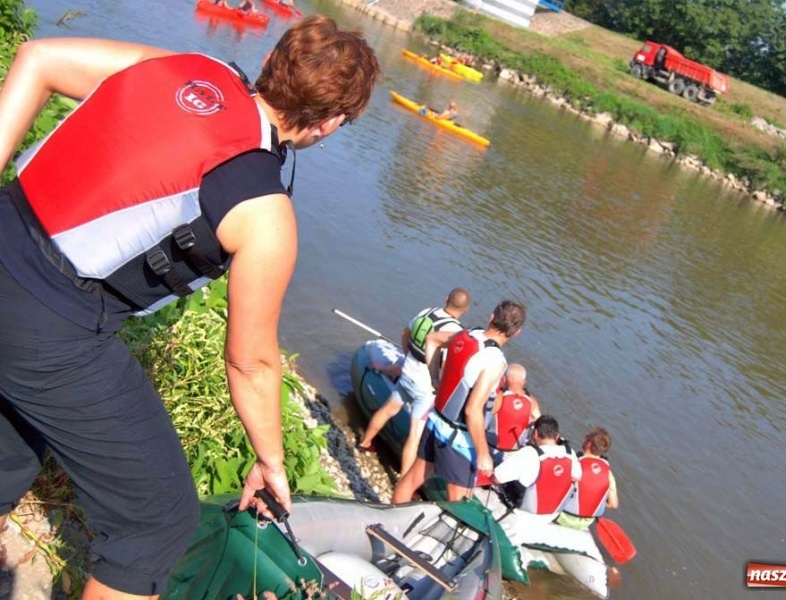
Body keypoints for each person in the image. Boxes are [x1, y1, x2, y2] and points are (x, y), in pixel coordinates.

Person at [0, 16, 379, 599]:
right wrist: (271, 462)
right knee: (157, 520)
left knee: (15, 436)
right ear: (329, 123)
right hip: (53, 322)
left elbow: (38, 57)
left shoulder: (188, 69)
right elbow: (250, 363)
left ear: (274, 63)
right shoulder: (266, 212)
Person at [392, 300, 526, 503]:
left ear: (491, 317)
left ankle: (387, 516)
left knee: (412, 478)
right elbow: (473, 410)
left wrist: (435, 378)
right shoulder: (495, 361)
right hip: (459, 439)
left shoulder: (465, 334)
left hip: (436, 420)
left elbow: (432, 340)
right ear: (516, 333)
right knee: (461, 501)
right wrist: (483, 454)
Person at [358, 288, 470, 477]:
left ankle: (365, 443)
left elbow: (405, 334)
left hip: (408, 372)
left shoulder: (426, 312)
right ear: (465, 310)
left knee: (388, 409)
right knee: (415, 434)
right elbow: (446, 363)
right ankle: (403, 478)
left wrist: (407, 355)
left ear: (446, 299)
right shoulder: (456, 332)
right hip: (424, 387)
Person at [489, 415, 581, 520]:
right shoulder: (570, 453)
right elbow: (577, 477)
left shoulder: (529, 452)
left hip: (524, 511)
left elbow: (496, 478)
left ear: (536, 433)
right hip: (552, 514)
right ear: (557, 436)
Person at [557, 427, 619, 530]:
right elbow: (613, 504)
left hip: (562, 517)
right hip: (586, 523)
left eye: (586, 437)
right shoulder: (608, 473)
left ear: (589, 444)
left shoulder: (575, 463)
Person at [488, 363, 542, 452]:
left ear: (505, 378)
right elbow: (539, 424)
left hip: (491, 448)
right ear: (524, 381)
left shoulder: (500, 396)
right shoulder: (532, 401)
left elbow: (484, 417)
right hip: (514, 454)